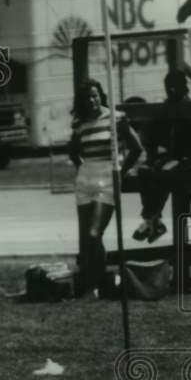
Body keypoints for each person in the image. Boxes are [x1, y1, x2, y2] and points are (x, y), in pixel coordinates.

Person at [67, 79, 144, 298]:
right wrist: (81, 168)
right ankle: (93, 285)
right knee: (85, 238)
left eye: (95, 95)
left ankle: (95, 287)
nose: (91, 100)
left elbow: (137, 149)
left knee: (94, 233)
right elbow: (73, 151)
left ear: (101, 95)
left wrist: (121, 170)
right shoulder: (79, 124)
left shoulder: (116, 118)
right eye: (87, 98)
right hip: (85, 179)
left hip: (108, 179)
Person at [132, 71, 191, 244]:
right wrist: (151, 158)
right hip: (172, 157)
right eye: (168, 89)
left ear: (183, 87)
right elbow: (153, 137)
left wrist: (190, 158)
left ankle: (150, 220)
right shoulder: (166, 108)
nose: (171, 92)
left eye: (174, 88)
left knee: (164, 172)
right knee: (144, 171)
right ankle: (154, 221)